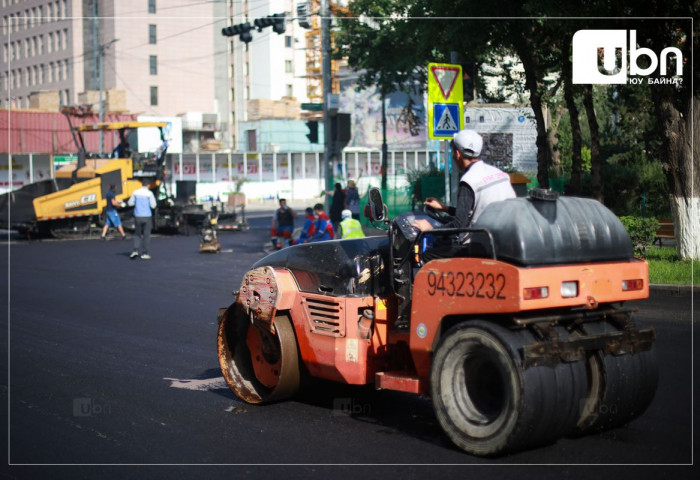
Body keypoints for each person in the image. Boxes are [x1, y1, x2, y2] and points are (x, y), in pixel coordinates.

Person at [413, 129, 516, 260]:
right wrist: (444, 208)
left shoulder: (469, 180)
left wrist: (430, 229)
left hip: (482, 246)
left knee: (429, 254)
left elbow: (459, 225)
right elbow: (475, 210)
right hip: (508, 241)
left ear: (457, 153)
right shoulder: (499, 174)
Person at [127, 180, 157, 259]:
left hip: (137, 216)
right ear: (148, 185)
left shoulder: (135, 192)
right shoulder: (149, 193)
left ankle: (135, 250)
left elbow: (130, 203)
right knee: (146, 235)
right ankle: (145, 253)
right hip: (147, 216)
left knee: (137, 234)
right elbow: (153, 205)